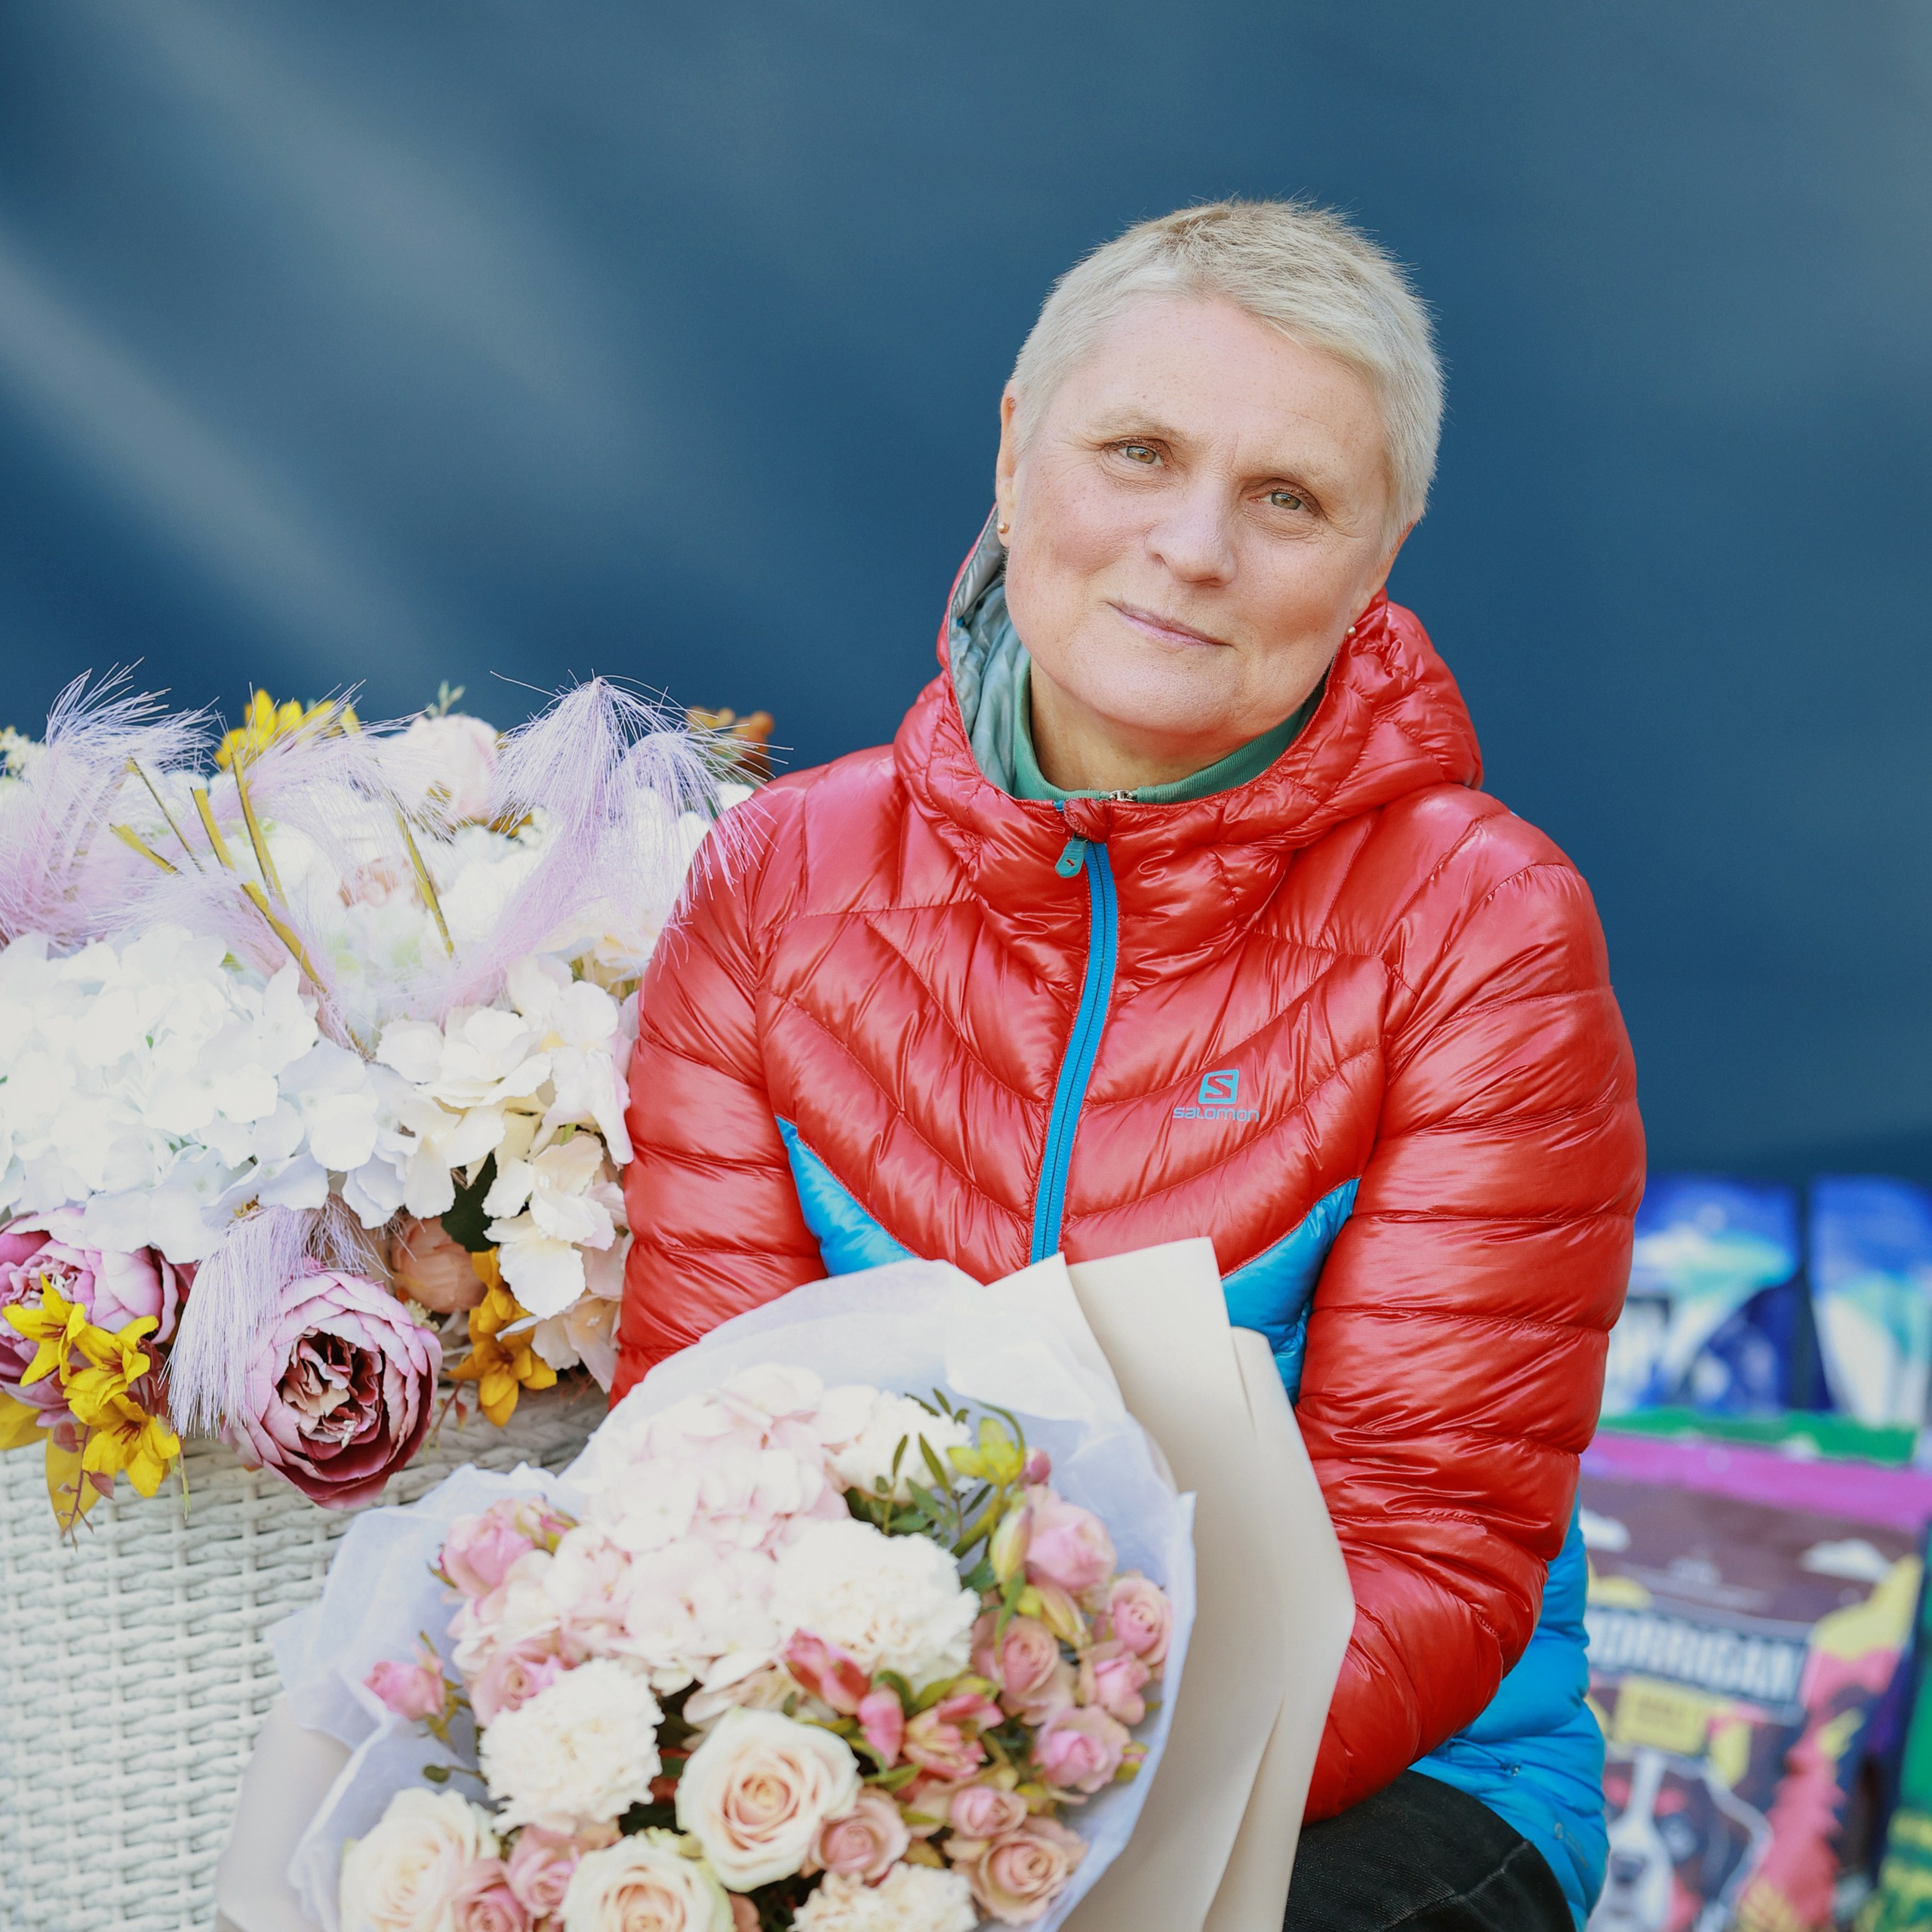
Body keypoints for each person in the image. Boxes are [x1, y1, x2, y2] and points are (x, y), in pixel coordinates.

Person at [614, 199, 1643, 1931]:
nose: (1190, 546)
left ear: (1377, 555)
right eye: (1138, 451)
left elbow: (1427, 1551)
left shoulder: (1481, 925)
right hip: (860, 1761)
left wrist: (1016, 1816)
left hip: (1381, 1768)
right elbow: (698, 1448)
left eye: (1286, 497)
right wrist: (849, 1795)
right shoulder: (774, 881)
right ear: (1015, 455)